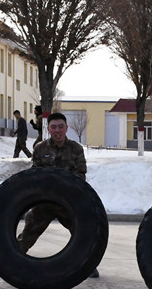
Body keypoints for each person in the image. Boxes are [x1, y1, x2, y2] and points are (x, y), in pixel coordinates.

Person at [17, 112, 100, 278]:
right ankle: (14, 262)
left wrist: (64, 187)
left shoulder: (76, 149)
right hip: (45, 203)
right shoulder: (40, 148)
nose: (57, 131)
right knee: (27, 235)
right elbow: (35, 175)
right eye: (53, 127)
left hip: (67, 204)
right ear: (48, 129)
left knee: (82, 235)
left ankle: (89, 265)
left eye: (61, 127)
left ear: (66, 128)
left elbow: (81, 176)